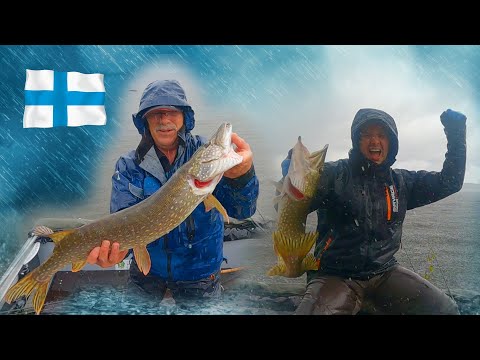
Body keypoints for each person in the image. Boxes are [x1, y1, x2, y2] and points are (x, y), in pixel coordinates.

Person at [86, 79, 259, 305]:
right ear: (145, 121)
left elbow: (242, 210)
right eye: (155, 113)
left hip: (199, 272)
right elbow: (123, 221)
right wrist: (117, 254)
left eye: (172, 112)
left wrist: (242, 176)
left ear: (184, 117)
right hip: (146, 273)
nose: (164, 120)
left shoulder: (204, 154)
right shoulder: (128, 165)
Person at [280, 108, 466, 315]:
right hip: (334, 275)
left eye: (381, 135)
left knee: (445, 310)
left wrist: (456, 133)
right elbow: (292, 206)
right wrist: (292, 180)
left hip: (384, 272)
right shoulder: (333, 174)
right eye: (366, 134)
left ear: (391, 142)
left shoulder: (402, 183)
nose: (374, 141)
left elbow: (450, 182)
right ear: (356, 140)